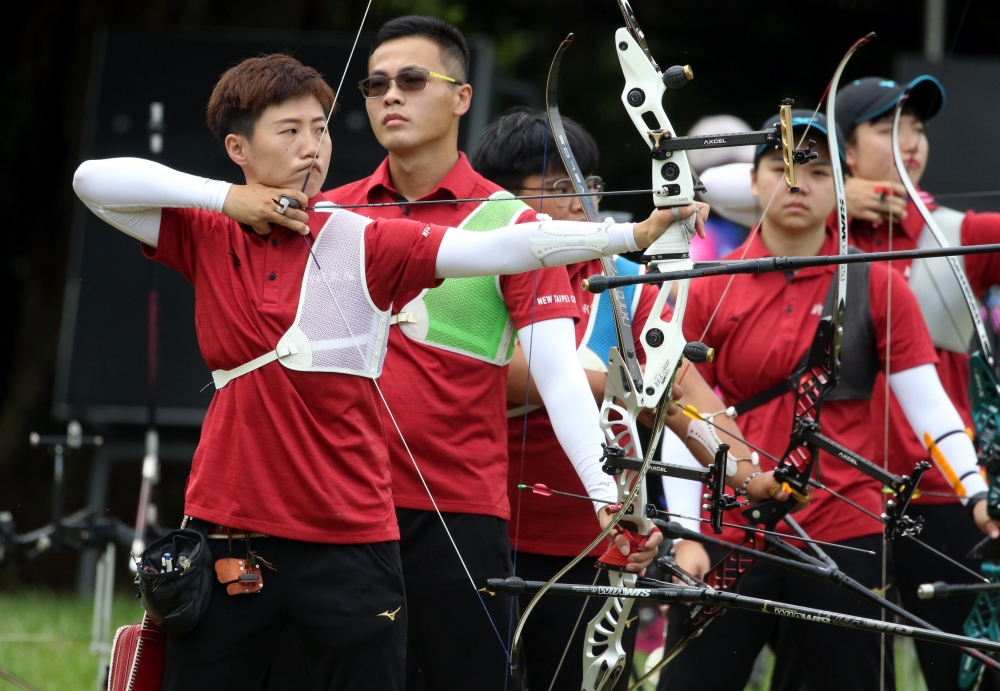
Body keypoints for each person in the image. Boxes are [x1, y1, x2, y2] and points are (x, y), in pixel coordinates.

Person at [71, 53, 701, 691]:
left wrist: (630, 235)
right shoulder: (209, 231)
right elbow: (93, 181)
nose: (312, 147)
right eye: (289, 132)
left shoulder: (360, 236)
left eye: (319, 130)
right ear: (239, 146)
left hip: (349, 534)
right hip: (232, 527)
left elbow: (502, 246)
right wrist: (226, 196)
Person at [322, 16, 674, 690]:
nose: (390, 95)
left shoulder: (515, 224)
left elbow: (555, 368)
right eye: (376, 84)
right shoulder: (331, 213)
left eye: (412, 79)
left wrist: (607, 497)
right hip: (335, 503)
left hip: (455, 509)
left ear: (460, 96)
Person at [660, 109, 984, 691]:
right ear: (754, 183)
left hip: (842, 525)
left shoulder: (875, 282)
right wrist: (687, 535)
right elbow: (678, 414)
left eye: (814, 171)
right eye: (778, 168)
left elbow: (930, 405)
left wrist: (977, 492)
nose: (795, 183)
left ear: (839, 187)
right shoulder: (710, 282)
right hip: (731, 527)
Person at [470, 109, 784, 691]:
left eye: (588, 187)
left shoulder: (618, 280)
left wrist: (749, 474)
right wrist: (627, 389)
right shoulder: (476, 273)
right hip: (482, 537)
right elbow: (497, 374)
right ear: (500, 200)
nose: (580, 202)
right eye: (559, 189)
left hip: (599, 542)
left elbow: (684, 385)